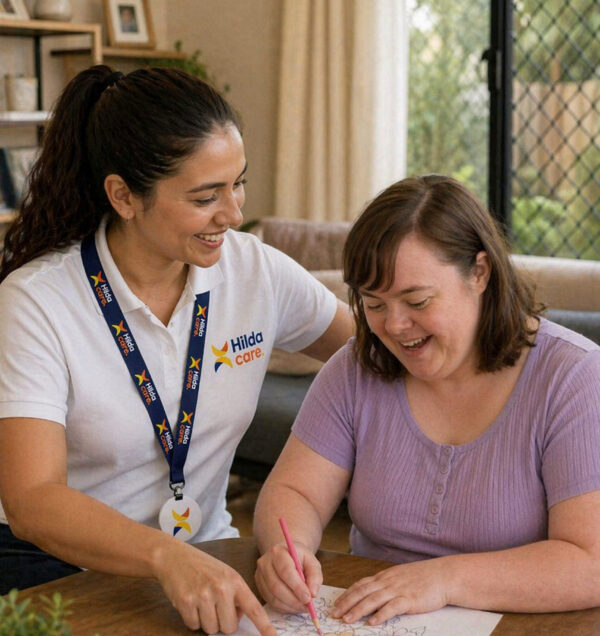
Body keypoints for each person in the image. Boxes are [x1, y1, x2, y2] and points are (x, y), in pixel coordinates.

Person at [0, 65, 352, 635]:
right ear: (123, 196)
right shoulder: (36, 301)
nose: (234, 214)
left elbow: (377, 355)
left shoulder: (252, 269)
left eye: (237, 183)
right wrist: (166, 558)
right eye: (205, 196)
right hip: (56, 566)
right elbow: (32, 499)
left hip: (206, 557)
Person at [253, 175, 600, 626]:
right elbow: (294, 491)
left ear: (480, 272)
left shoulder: (573, 377)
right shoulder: (356, 367)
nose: (394, 326)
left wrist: (443, 580)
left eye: (416, 300)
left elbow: (589, 561)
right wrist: (289, 549)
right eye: (373, 304)